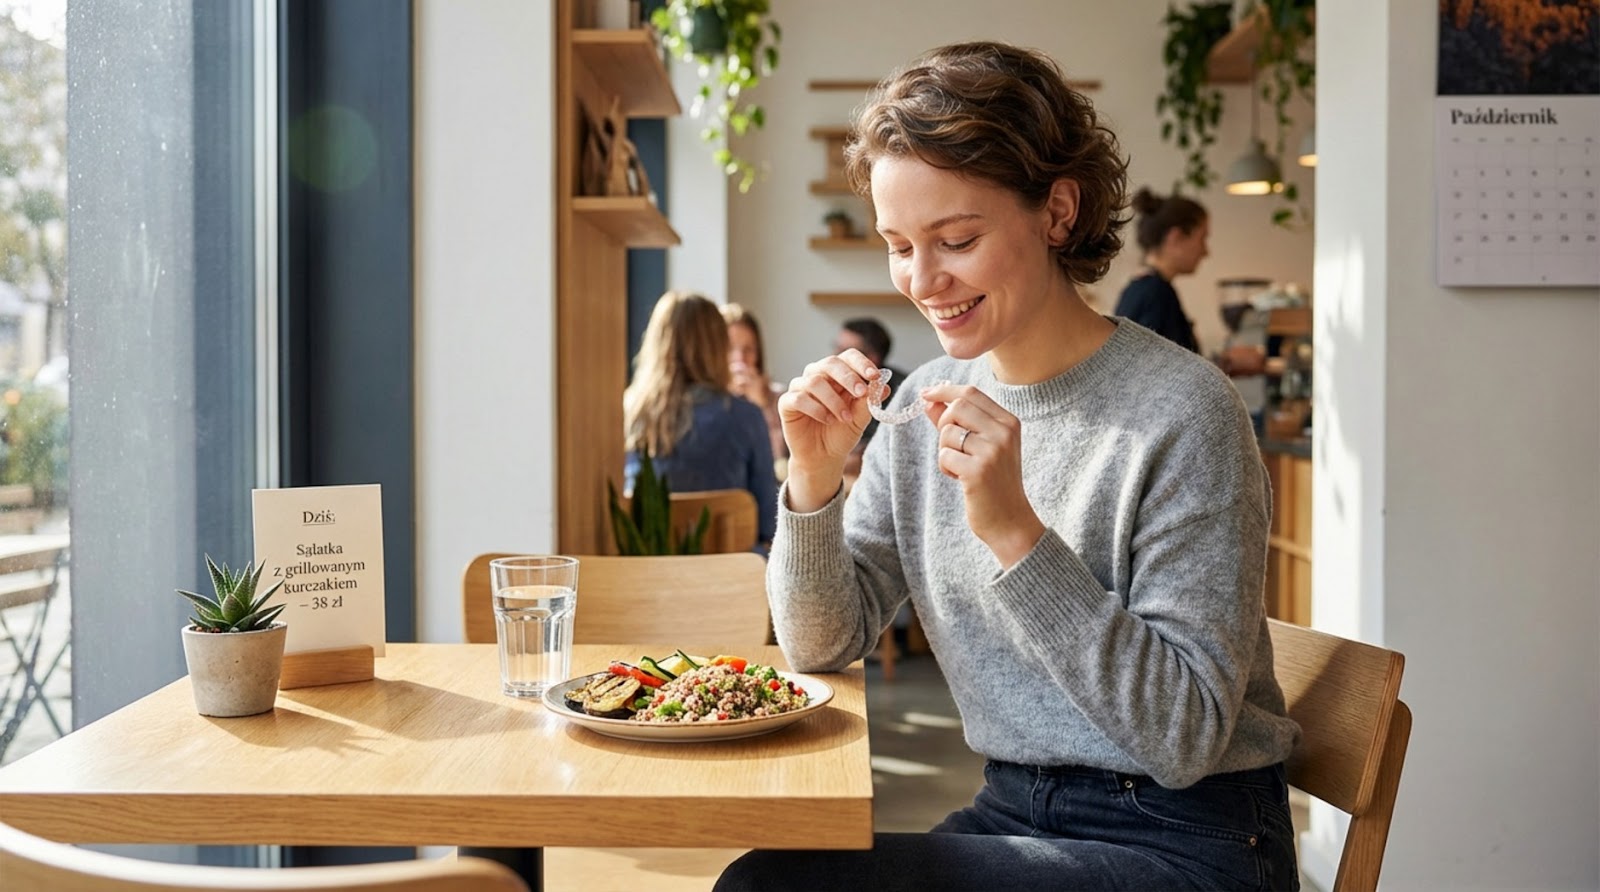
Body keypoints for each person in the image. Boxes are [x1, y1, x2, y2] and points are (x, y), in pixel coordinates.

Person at [717, 41, 1300, 891]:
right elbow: (820, 642)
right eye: (898, 243)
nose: (922, 279)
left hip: (1188, 839)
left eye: (955, 238)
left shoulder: (1184, 412)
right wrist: (810, 485)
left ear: (1057, 212)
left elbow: (1183, 736)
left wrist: (1016, 534)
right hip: (1018, 815)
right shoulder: (926, 402)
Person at [623, 291, 777, 551]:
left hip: (647, 571)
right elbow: (769, 523)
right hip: (732, 577)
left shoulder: (628, 414)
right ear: (718, 347)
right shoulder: (745, 416)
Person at [1113, 187, 1209, 352]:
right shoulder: (1157, 294)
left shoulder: (1139, 288)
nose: (1206, 252)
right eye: (1202, 239)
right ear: (1176, 237)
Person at [833, 317, 903, 478]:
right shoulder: (830, 386)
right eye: (836, 348)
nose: (834, 357)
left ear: (871, 358)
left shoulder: (903, 391)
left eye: (844, 351)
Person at [721, 303, 788, 460]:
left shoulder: (779, 400)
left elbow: (778, 466)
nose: (740, 359)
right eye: (730, 348)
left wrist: (761, 406)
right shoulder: (706, 402)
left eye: (748, 349)